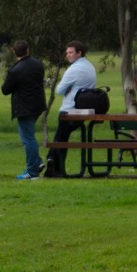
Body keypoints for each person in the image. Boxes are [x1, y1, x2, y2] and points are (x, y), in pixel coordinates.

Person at [44, 40, 96, 178]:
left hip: (70, 109)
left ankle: (54, 164)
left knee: (60, 138)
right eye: (67, 53)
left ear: (80, 53)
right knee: (61, 137)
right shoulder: (90, 66)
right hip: (85, 109)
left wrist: (68, 88)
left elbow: (60, 90)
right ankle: (54, 163)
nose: (68, 55)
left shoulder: (74, 69)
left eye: (71, 52)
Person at [1, 40, 47, 180]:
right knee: (26, 136)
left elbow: (5, 89)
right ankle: (37, 162)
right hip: (38, 104)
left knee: (28, 139)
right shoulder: (38, 64)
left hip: (24, 107)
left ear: (14, 52)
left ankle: (32, 171)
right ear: (28, 50)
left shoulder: (16, 70)